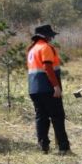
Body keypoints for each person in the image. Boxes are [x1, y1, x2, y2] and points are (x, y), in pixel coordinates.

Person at [26, 24, 70, 154]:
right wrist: (56, 86)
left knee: (41, 117)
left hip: (34, 89)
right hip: (48, 88)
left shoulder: (31, 49)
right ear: (45, 36)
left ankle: (43, 145)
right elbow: (48, 68)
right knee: (57, 117)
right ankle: (63, 147)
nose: (52, 38)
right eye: (50, 35)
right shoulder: (45, 47)